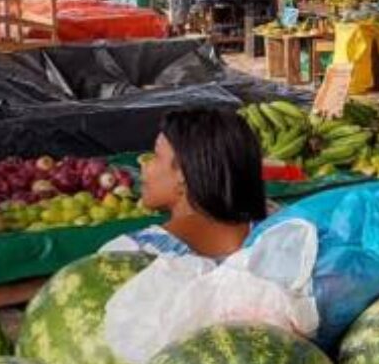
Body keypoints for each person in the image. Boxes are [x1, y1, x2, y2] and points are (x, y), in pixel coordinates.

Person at [103, 108, 268, 259]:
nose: (144, 165)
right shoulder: (279, 235)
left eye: (156, 155)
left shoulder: (129, 255)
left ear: (182, 172)